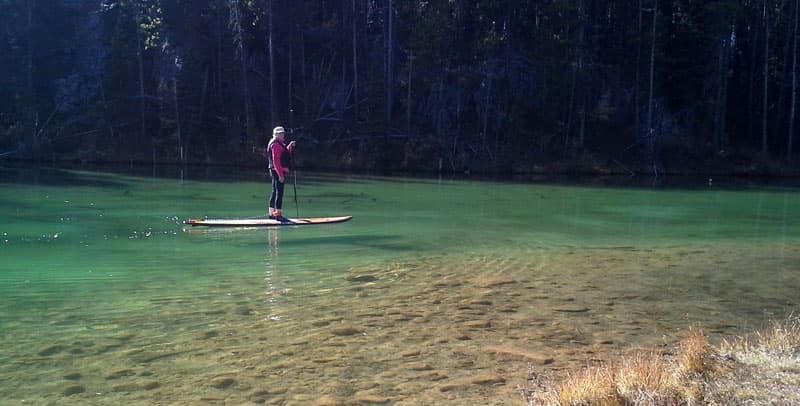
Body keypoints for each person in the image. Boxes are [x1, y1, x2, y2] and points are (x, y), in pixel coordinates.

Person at [267, 126, 296, 220]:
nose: (282, 135)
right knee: (279, 192)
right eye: (279, 133)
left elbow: (284, 153)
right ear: (275, 135)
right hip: (277, 171)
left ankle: (272, 214)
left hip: (274, 170)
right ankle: (277, 215)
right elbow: (276, 161)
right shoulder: (275, 145)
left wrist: (290, 146)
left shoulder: (278, 143)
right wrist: (280, 175)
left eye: (282, 133)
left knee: (275, 191)